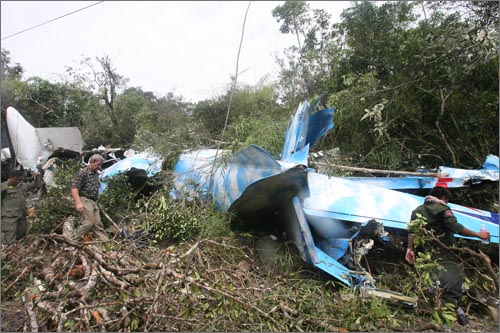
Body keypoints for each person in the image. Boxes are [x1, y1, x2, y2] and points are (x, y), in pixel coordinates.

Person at [405, 186, 490, 326]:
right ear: (443, 198)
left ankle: (452, 310)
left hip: (426, 255)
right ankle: (448, 318)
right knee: (455, 281)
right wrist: (478, 234)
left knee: (436, 282)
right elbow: (457, 228)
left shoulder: (417, 211)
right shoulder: (443, 210)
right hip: (444, 254)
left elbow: (412, 232)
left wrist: (410, 249)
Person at [71, 154, 109, 242]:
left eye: (100, 165)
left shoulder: (96, 174)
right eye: (98, 165)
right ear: (92, 162)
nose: (99, 167)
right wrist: (78, 202)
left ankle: (105, 243)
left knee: (97, 224)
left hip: (93, 201)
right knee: (89, 222)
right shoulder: (83, 172)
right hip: (85, 199)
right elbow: (74, 188)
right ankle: (71, 240)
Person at [1, 170, 40, 245]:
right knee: (10, 235)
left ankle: (17, 250)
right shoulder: (3, 186)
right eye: (16, 179)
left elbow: (34, 185)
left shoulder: (22, 186)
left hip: (22, 214)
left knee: (22, 232)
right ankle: (10, 251)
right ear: (11, 177)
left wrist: (36, 178)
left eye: (20, 179)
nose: (18, 181)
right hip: (9, 216)